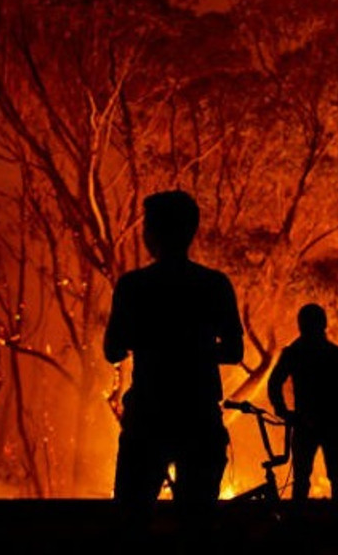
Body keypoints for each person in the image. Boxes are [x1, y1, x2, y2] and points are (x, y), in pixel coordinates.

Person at [104, 190, 244, 540]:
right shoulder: (213, 285)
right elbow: (234, 351)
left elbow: (112, 351)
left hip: (149, 414)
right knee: (197, 524)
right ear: (191, 231)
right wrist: (196, 349)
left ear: (151, 233)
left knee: (132, 520)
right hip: (198, 415)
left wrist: (151, 340)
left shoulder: (134, 286)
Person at [267, 303, 338, 501]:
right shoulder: (335, 354)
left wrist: (283, 411)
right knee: (335, 473)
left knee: (302, 477)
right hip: (330, 420)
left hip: (304, 421)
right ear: (323, 324)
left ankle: (298, 521)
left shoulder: (294, 353)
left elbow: (274, 383)